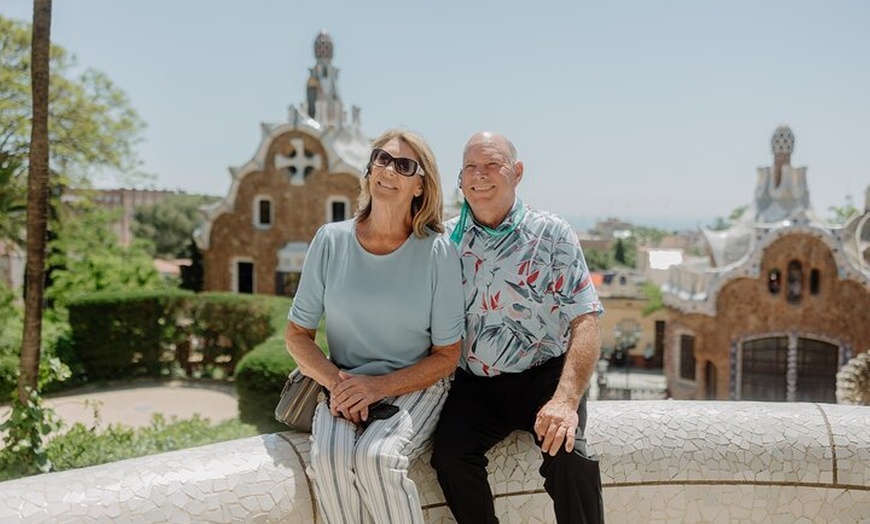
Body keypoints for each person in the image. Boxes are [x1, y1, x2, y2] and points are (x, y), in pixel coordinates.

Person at [285, 129, 464, 524]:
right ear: (369, 170)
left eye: (404, 165)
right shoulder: (330, 241)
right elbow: (297, 335)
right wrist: (340, 385)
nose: (389, 170)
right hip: (344, 383)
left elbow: (448, 356)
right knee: (330, 458)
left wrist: (377, 388)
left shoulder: (438, 252)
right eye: (382, 158)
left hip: (416, 384)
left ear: (420, 185)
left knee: (377, 458)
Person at [431, 131, 605, 523]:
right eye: (470, 168)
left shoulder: (552, 234)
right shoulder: (445, 242)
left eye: (492, 164)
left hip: (544, 378)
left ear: (518, 172)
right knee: (449, 457)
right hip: (474, 384)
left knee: (570, 458)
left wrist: (565, 401)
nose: (480, 176)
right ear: (460, 179)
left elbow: (585, 319)